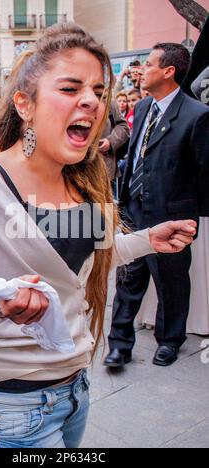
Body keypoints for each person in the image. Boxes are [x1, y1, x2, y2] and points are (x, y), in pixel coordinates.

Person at [0, 25, 196, 449]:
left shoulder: (82, 179)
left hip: (76, 392)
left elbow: (87, 257)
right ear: (25, 105)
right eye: (70, 88)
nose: (92, 101)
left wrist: (147, 240)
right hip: (13, 407)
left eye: (99, 91)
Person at [104, 43, 209, 370]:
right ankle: (119, 344)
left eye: (149, 64)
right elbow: (136, 157)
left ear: (169, 71)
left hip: (173, 216)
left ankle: (170, 340)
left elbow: (205, 171)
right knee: (127, 280)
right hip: (134, 212)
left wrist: (191, 217)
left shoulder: (197, 115)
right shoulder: (145, 107)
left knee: (171, 283)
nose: (141, 70)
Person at [98, 100, 130, 180]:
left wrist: (111, 141)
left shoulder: (109, 102)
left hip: (105, 170)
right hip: (75, 170)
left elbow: (123, 126)